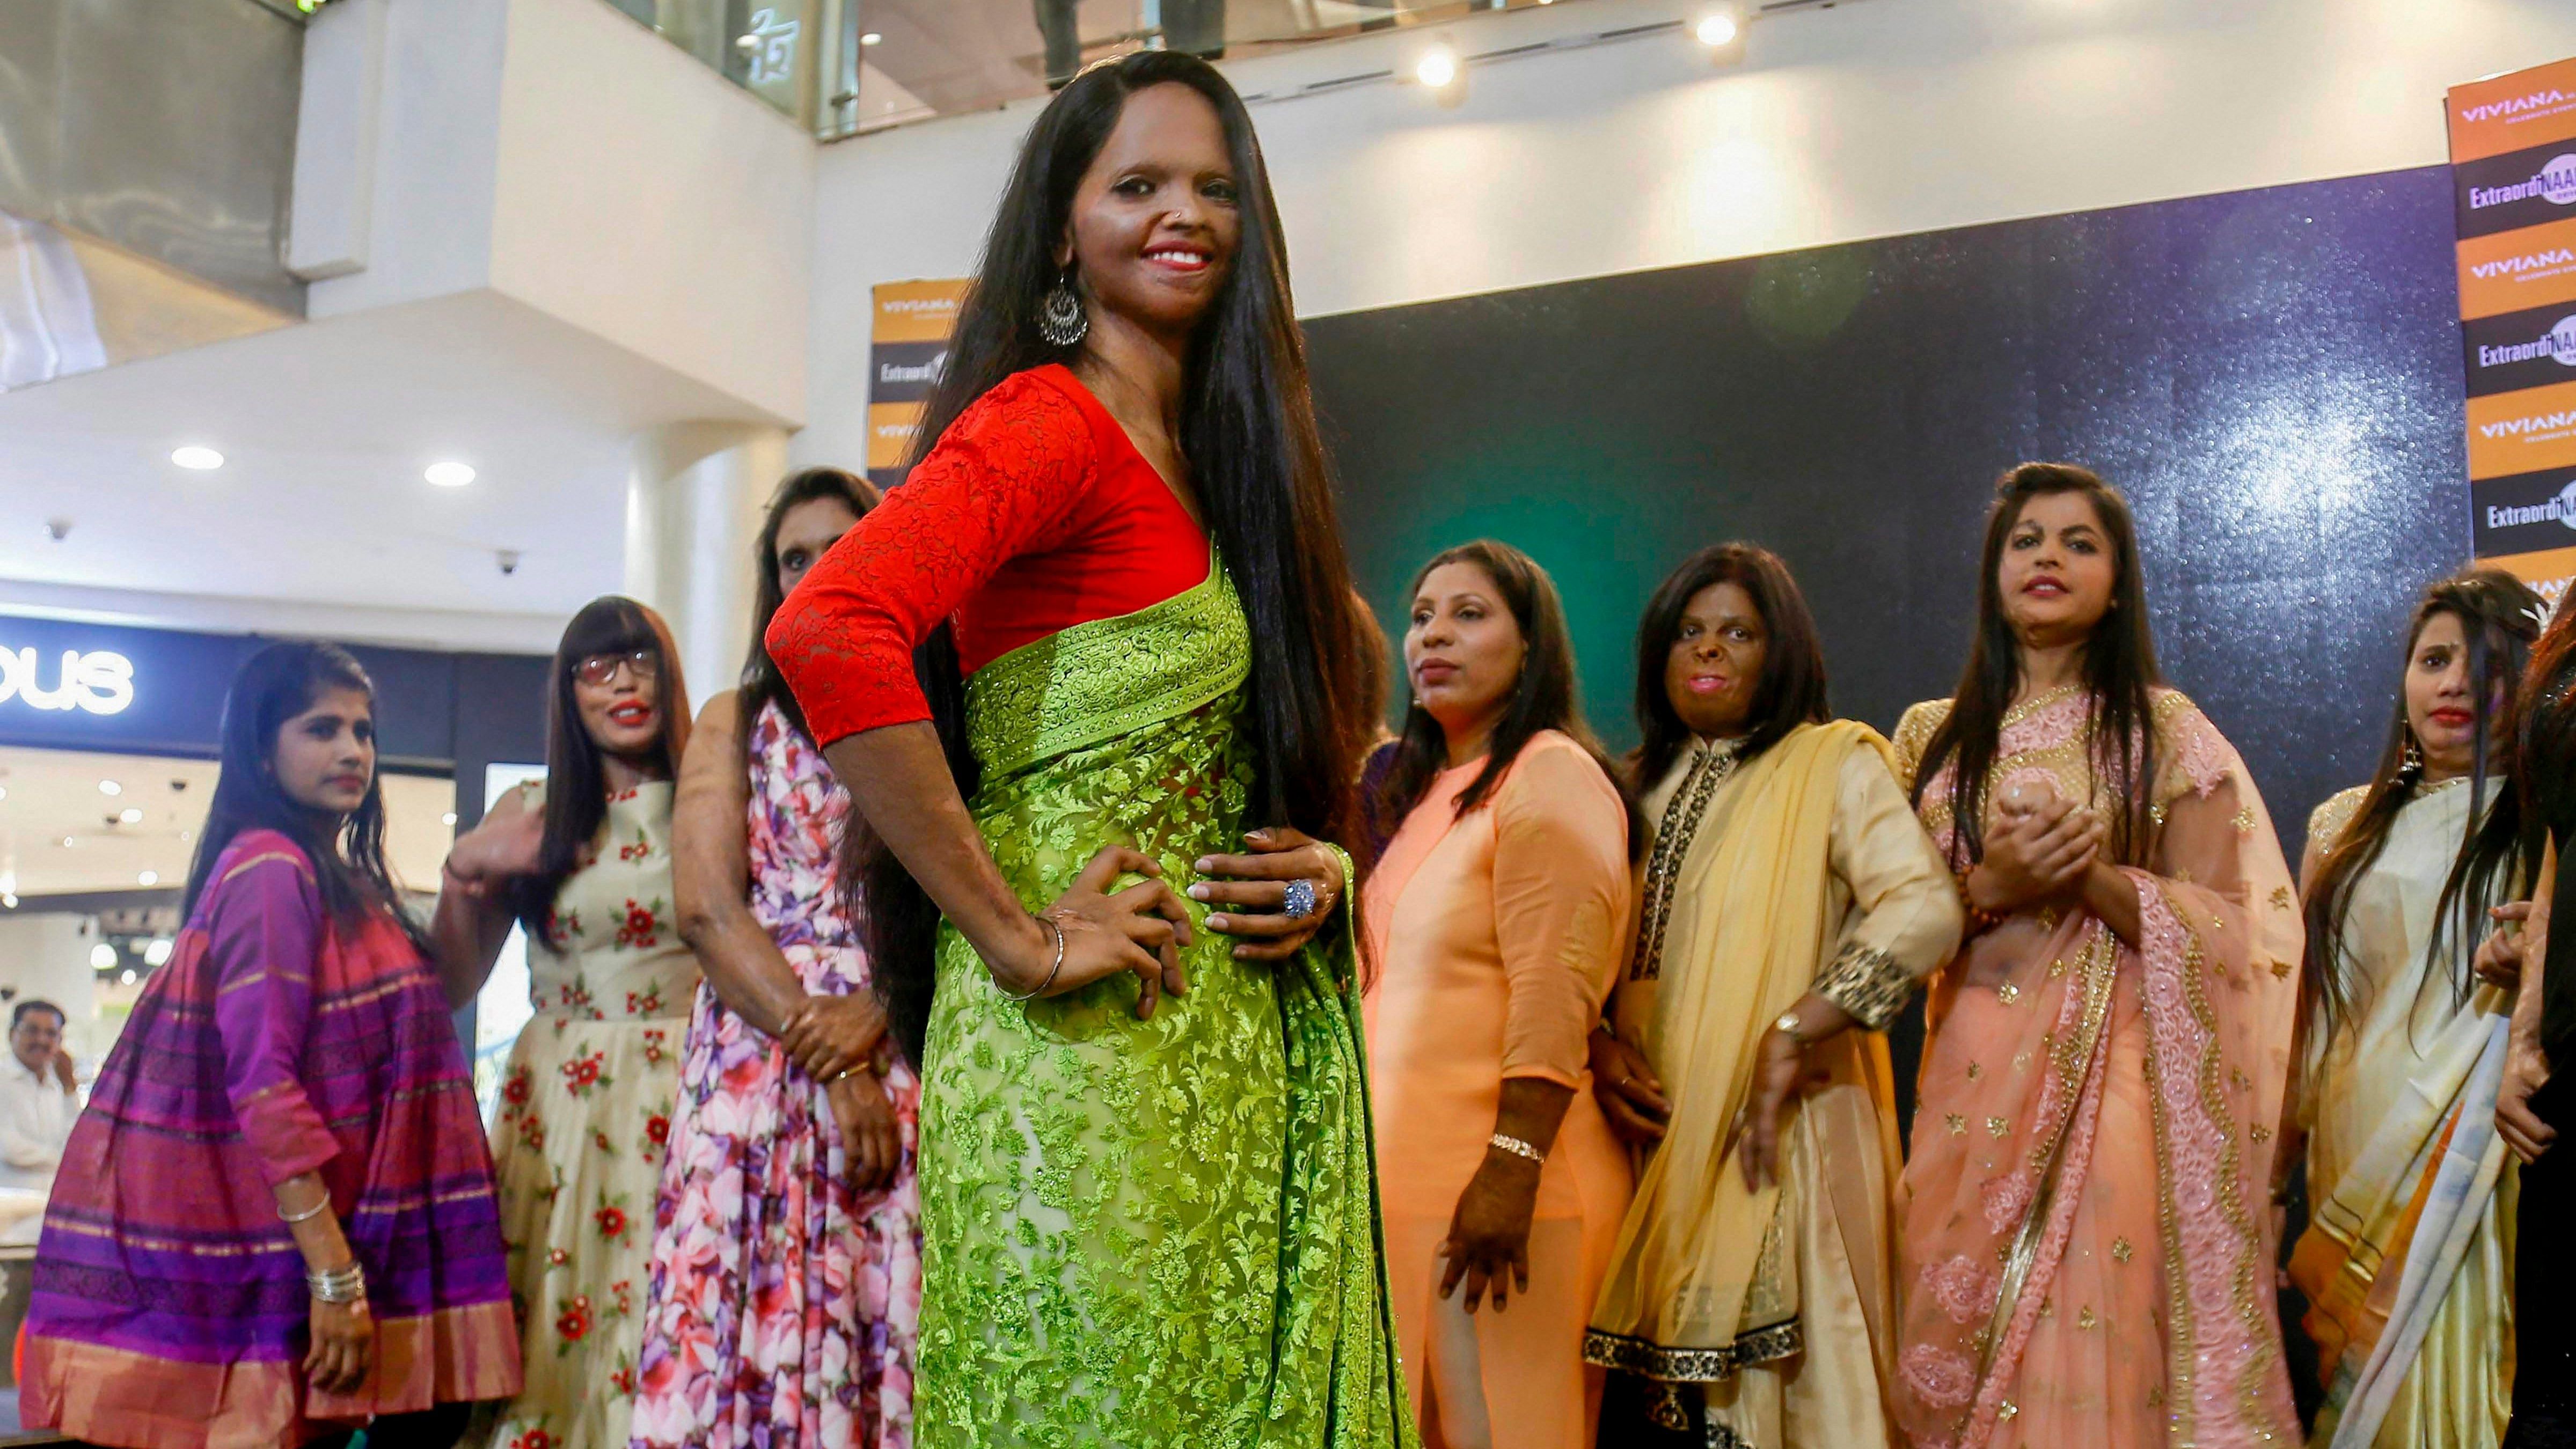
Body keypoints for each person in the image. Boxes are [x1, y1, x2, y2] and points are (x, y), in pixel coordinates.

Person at [762, 50, 1407, 1447]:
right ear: (1064, 224)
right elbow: (833, 626)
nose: (1186, 215)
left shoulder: (1219, 454)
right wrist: (1016, 936)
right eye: (1140, 185)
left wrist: (1318, 878)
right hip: (1081, 1065)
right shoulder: (1051, 419)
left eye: (1216, 189)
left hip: (1222, 1058)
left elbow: (1248, 779)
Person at [1886, 463, 2301, 1449]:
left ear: (2117, 583)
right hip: (1969, 1076)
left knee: (2089, 1311)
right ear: (1994, 572)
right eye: (2027, 540)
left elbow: (2231, 934)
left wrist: (2090, 877)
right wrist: (1993, 887)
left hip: (2117, 1078)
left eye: (2081, 543)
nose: (2049, 558)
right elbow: (1891, 931)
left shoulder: (2165, 729)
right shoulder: (1931, 740)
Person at [23, 641, 518, 1447]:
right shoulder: (269, 870)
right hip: (302, 1256)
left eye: (362, 730)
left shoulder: (339, 879)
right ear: (261, 747)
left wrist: (473, 877)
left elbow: (436, 1004)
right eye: (321, 729)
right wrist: (334, 1276)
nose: (353, 750)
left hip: (334, 1238)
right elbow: (264, 1086)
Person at [1587, 544, 1964, 1448]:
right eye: (1689, 632)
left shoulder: (1832, 764)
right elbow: (1580, 953)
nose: (1709, 651)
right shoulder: (1627, 787)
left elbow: (1923, 907)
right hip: (1638, 1140)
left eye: (1738, 633)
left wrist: (1798, 1025)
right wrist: (1597, 1042)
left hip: (1778, 1132)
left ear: (1781, 652)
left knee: (1780, 1404)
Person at [631, 468, 920, 1449]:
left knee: (890, 1326)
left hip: (902, 1043)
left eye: (838, 548)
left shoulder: (933, 717)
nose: (815, 572)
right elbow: (708, 911)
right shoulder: (735, 716)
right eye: (794, 557)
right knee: (735, 1332)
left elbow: (959, 902)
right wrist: (835, 1055)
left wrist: (874, 1021)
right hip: (762, 1055)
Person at [1359, 540, 1634, 1448]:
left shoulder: (1548, 773)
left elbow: (1557, 988)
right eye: (1422, 616)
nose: (1434, 635)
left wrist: (1510, 1167)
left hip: (1508, 1195)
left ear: (1532, 648)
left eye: (1469, 615)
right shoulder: (1429, 790)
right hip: (1412, 1191)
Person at [2284, 570, 2541, 1449]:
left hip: (2475, 1158)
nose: (2455, 684)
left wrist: (2540, 950)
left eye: (2488, 664)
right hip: (2351, 1142)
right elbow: (2299, 1016)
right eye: (2435, 660)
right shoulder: (2339, 829)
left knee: (2459, 1369)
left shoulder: (2545, 828)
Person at [434, 597, 699, 1449]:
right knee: (548, 1323)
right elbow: (449, 981)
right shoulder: (529, 805)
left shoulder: (715, 799)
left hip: (688, 1086)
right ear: (568, 691)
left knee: (668, 1311)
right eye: (598, 666)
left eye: (642, 660)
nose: (624, 682)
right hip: (554, 1101)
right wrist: (461, 870)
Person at [2495, 590, 2576, 1449]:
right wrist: (2526, 1037)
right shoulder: (2574, 615)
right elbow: (2562, 837)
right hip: (2571, 1069)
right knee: (2555, 1402)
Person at [0, 1000, 77, 1247]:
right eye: (32, 1030)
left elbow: (77, 1141)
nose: (42, 1040)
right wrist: (63, 1160)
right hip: (9, 1220)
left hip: (53, 1215)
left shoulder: (57, 1086)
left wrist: (69, 1089)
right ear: (12, 1034)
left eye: (51, 1034)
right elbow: (10, 1148)